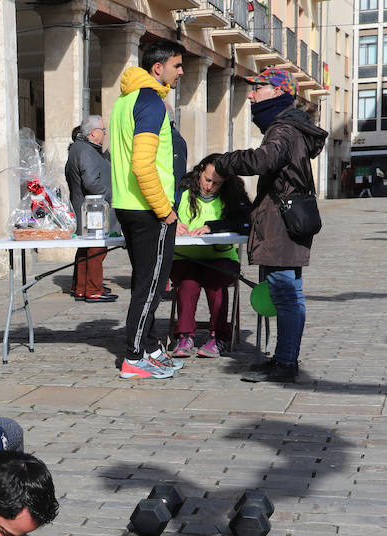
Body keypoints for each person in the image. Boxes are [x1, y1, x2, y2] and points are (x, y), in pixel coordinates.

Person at [216, 67, 327, 385]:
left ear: (277, 92)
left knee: (287, 295)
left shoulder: (282, 130)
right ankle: (282, 358)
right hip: (287, 223)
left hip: (281, 226)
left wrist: (227, 161)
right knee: (288, 294)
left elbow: (263, 160)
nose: (250, 94)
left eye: (257, 88)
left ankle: (286, 362)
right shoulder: (291, 128)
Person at [109, 38, 189, 380]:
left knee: (148, 281)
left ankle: (151, 346)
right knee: (151, 286)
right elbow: (143, 165)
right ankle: (134, 356)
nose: (181, 71)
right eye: (177, 65)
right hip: (148, 209)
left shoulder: (124, 101)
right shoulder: (151, 103)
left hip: (129, 206)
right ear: (158, 68)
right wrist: (165, 210)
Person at [168, 155, 251, 359]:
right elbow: (164, 211)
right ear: (200, 171)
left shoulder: (233, 195)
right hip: (184, 257)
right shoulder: (182, 190)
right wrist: (173, 222)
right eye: (207, 180)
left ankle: (218, 336)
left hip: (221, 258)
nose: (209, 186)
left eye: (216, 184)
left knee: (215, 281)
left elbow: (246, 220)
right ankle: (184, 335)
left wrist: (212, 227)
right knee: (188, 281)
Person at [64, 115, 117, 303]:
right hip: (92, 209)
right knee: (96, 249)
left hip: (88, 208)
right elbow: (91, 182)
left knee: (87, 248)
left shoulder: (84, 148)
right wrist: (112, 195)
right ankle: (93, 289)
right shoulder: (84, 150)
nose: (104, 134)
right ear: (93, 133)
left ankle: (81, 287)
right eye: (103, 131)